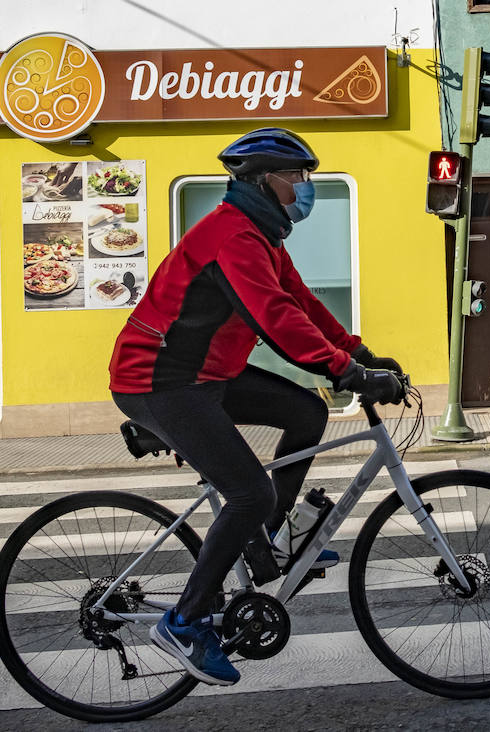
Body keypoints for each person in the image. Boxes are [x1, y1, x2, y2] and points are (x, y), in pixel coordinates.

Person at [108, 127, 407, 686]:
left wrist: (360, 352)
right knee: (249, 491)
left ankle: (273, 541)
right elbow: (277, 320)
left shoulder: (263, 236)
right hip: (159, 379)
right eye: (297, 176)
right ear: (264, 180)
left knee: (306, 414)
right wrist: (348, 372)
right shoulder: (233, 238)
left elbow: (302, 303)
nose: (304, 187)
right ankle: (185, 621)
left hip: (207, 374)